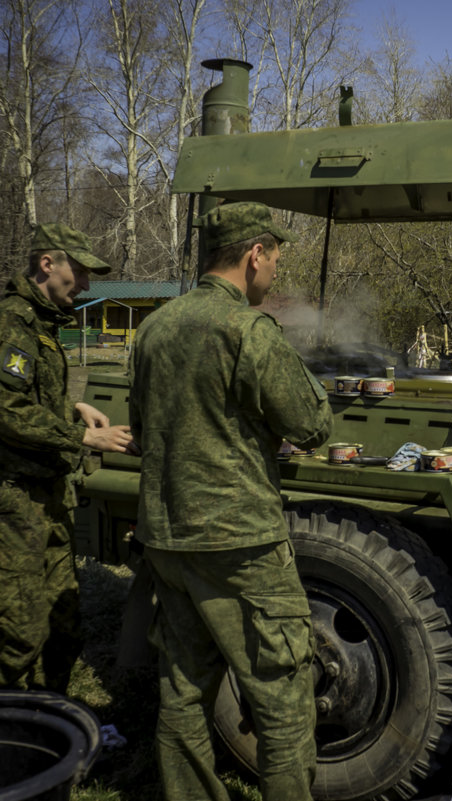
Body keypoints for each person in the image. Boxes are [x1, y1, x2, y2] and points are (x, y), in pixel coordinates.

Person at [128, 201, 332, 801]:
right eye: (275, 258)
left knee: (184, 688)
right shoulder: (248, 329)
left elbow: (144, 426)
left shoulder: (154, 329)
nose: (275, 272)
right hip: (240, 543)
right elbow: (312, 422)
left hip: (167, 535)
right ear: (254, 254)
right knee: (283, 691)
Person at [0, 223, 137, 693]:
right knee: (21, 639)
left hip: (48, 495)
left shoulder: (40, 325)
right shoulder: (11, 321)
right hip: (13, 501)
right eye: (79, 273)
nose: (84, 286)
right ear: (48, 264)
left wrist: (71, 407)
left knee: (64, 627)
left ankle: (50, 720)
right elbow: (5, 412)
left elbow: (30, 400)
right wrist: (81, 437)